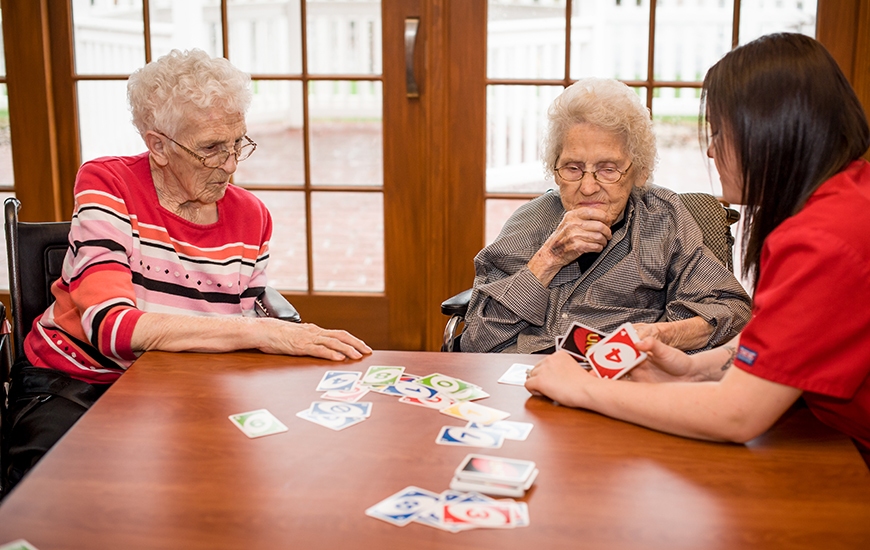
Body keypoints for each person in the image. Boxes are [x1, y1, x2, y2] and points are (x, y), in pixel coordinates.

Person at [4, 49, 372, 488]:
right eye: (211, 148)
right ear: (157, 144)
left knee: (241, 477)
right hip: (77, 380)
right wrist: (262, 332)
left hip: (183, 379)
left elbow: (243, 320)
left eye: (239, 142)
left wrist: (261, 336)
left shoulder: (252, 216)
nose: (231, 164)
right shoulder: (108, 184)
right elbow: (112, 329)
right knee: (53, 488)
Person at [525, 33, 870, 466]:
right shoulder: (851, 196)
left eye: (721, 133)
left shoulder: (822, 240)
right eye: (573, 168)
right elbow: (783, 338)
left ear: (769, 135)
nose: (710, 149)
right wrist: (696, 368)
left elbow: (737, 415)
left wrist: (584, 388)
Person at [461, 78, 751, 354]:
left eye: (608, 169)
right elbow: (475, 343)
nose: (588, 187)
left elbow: (731, 311)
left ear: (639, 171)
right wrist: (548, 258)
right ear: (555, 170)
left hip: (623, 376)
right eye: (573, 168)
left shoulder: (664, 219)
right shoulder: (529, 222)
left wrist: (661, 335)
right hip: (526, 373)